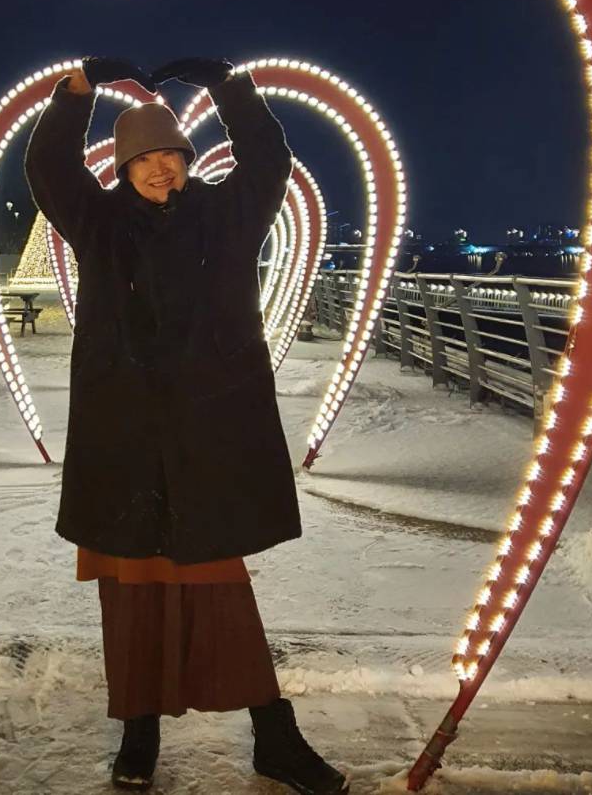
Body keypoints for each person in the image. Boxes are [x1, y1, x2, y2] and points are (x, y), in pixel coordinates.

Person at [25, 56, 349, 795]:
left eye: (171, 153)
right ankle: (139, 734)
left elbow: (269, 160)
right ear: (123, 166)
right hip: (126, 436)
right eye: (144, 157)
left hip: (209, 435)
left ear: (187, 159)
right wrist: (75, 93)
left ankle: (275, 734)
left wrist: (229, 87)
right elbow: (48, 168)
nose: (161, 168)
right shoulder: (100, 224)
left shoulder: (224, 217)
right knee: (131, 588)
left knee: (218, 587)